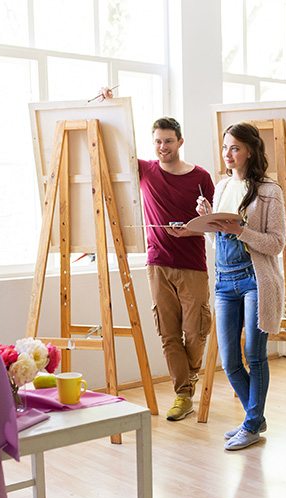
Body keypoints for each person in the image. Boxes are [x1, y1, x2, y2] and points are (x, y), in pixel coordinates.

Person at [98, 86, 215, 421]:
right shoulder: (146, 171)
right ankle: (183, 393)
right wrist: (109, 106)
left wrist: (191, 228)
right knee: (168, 332)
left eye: (168, 141)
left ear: (180, 141)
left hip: (193, 264)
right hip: (157, 262)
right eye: (158, 142)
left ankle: (190, 373)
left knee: (196, 331)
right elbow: (115, 145)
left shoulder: (200, 176)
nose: (162, 147)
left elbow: (214, 222)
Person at [195, 121, 286, 451]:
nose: (228, 154)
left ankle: (251, 424)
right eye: (225, 147)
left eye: (234, 147)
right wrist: (208, 218)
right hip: (224, 280)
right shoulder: (220, 187)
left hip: (254, 279)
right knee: (229, 360)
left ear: (250, 150)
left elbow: (277, 244)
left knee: (254, 355)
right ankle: (255, 417)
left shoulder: (269, 191)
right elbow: (216, 238)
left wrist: (240, 231)